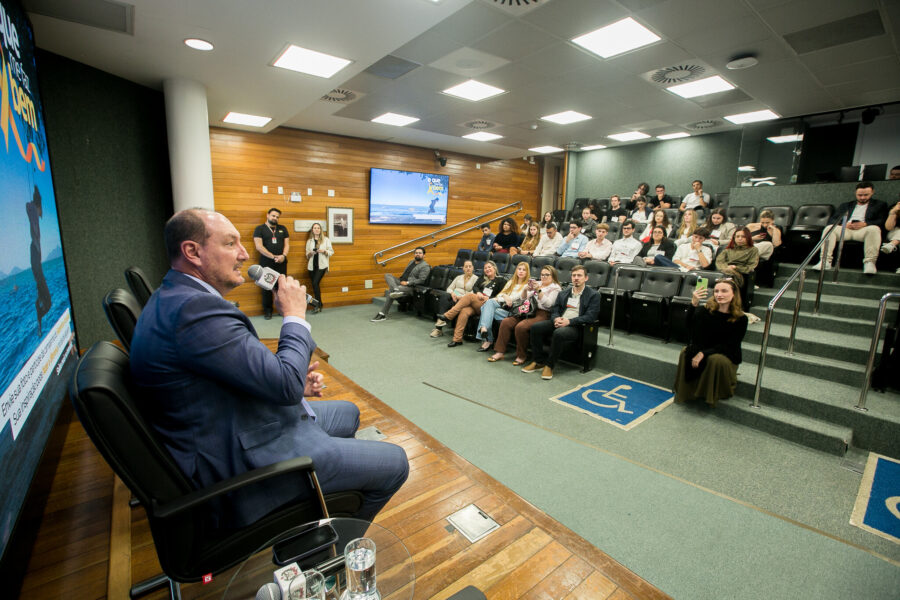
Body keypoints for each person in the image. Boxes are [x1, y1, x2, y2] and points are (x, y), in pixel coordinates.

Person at [130, 208, 409, 528]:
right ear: (192, 252)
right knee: (397, 462)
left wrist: (288, 381)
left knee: (349, 413)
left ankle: (320, 509)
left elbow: (230, 375)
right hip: (244, 460)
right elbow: (285, 386)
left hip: (237, 419)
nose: (244, 253)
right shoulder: (195, 311)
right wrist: (293, 316)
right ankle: (326, 550)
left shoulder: (178, 296)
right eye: (231, 243)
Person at [673, 278, 748, 407]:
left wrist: (704, 353)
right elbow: (689, 326)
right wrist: (693, 304)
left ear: (734, 294)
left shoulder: (741, 318)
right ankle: (688, 392)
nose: (719, 294)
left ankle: (710, 394)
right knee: (686, 351)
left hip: (726, 353)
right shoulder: (706, 310)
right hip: (706, 347)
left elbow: (730, 344)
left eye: (724, 291)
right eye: (717, 291)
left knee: (715, 359)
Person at [522, 265, 601, 380]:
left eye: (579, 275)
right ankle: (538, 361)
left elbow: (590, 316)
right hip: (560, 320)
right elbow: (555, 309)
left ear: (586, 278)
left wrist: (569, 321)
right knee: (536, 327)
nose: (576, 278)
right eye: (574, 275)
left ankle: (549, 365)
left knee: (559, 333)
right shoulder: (564, 292)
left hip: (576, 326)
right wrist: (556, 318)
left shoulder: (593, 295)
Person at [489, 265, 562, 365]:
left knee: (521, 326)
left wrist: (538, 291)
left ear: (553, 276)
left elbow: (549, 305)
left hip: (542, 313)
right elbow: (523, 299)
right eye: (542, 274)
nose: (543, 277)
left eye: (547, 275)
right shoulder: (538, 283)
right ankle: (500, 351)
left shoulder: (555, 288)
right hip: (528, 310)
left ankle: (522, 355)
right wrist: (525, 290)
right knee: (506, 322)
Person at [815, 181, 887, 275]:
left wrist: (865, 224)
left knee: (874, 229)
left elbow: (882, 221)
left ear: (872, 192)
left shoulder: (880, 205)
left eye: (866, 195)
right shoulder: (846, 205)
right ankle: (825, 261)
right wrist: (843, 224)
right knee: (829, 228)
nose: (862, 197)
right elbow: (832, 220)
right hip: (846, 229)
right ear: (855, 193)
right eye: (859, 195)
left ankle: (870, 262)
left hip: (865, 230)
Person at [439, 261, 507, 347]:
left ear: (494, 268)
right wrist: (478, 292)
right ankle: (457, 339)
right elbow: (475, 287)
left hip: (488, 305)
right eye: (485, 268)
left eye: (489, 267)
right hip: (477, 303)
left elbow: (502, 295)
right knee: (464, 311)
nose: (487, 269)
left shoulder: (501, 280)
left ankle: (448, 315)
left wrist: (489, 298)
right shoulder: (483, 278)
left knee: (469, 296)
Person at [474, 262, 530, 351]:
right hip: (504, 307)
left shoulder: (527, 285)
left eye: (524, 270)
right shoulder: (511, 282)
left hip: (514, 312)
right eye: (519, 269)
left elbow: (515, 298)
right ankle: (485, 331)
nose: (521, 271)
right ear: (516, 270)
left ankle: (487, 337)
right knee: (487, 305)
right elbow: (501, 294)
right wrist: (504, 297)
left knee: (486, 306)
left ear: (527, 272)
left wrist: (505, 298)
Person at [371, 247, 430, 322]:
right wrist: (400, 282)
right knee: (387, 275)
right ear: (414, 254)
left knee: (390, 291)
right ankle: (396, 289)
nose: (417, 254)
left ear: (424, 255)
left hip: (410, 287)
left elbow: (421, 280)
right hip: (400, 281)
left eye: (420, 253)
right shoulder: (411, 262)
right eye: (416, 253)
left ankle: (382, 313)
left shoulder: (425, 266)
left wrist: (408, 283)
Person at [253, 207, 290, 319]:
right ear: (268, 215)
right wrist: (273, 257)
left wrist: (283, 256)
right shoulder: (259, 229)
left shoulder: (282, 228)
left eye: (277, 217)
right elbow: (259, 247)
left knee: (281, 287)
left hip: (281, 262)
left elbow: (287, 244)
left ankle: (281, 309)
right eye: (273, 216)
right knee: (266, 287)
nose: (275, 218)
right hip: (266, 262)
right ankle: (268, 311)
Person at [26, 186, 51, 335]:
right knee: (47, 302)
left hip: (36, 261)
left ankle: (39, 318)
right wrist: (34, 206)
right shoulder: (34, 215)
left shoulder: (36, 219)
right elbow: (28, 207)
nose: (42, 214)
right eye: (41, 209)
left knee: (45, 299)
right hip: (35, 260)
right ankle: (38, 311)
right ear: (39, 207)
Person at [430, 260, 477, 337]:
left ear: (473, 268)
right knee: (445, 295)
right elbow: (449, 288)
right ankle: (440, 323)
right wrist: (453, 294)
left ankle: (438, 328)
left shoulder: (476, 279)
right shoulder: (458, 277)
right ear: (463, 268)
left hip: (465, 300)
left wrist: (461, 297)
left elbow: (473, 293)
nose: (468, 268)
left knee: (447, 303)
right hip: (454, 297)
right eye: (466, 266)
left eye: (470, 266)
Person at [716, 228, 759, 294]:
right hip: (725, 270)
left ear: (748, 238)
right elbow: (719, 261)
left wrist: (736, 268)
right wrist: (727, 268)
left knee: (727, 277)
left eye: (743, 237)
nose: (740, 239)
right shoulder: (728, 249)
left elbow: (751, 267)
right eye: (737, 236)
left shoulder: (753, 250)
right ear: (734, 238)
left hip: (740, 273)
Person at [305, 222, 332, 312]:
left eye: (318, 228)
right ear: (312, 230)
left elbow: (331, 252)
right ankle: (319, 304)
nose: (316, 229)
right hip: (312, 266)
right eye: (315, 228)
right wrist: (311, 253)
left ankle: (318, 305)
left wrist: (323, 251)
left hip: (322, 266)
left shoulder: (326, 240)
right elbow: (307, 255)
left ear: (320, 230)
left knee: (315, 283)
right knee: (315, 285)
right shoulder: (309, 241)